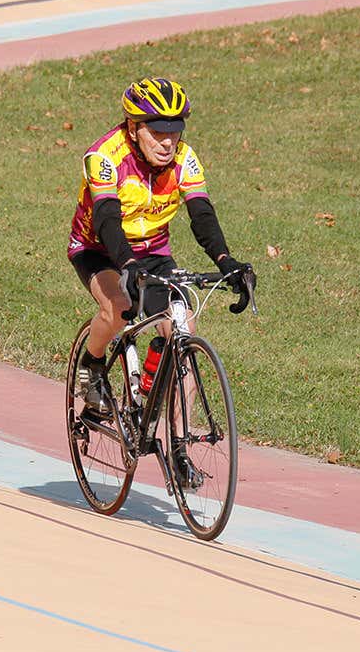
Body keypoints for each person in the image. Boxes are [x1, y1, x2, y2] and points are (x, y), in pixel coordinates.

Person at [66, 77, 250, 469]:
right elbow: (106, 218)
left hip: (152, 253)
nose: (168, 141)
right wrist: (127, 264)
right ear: (134, 128)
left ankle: (179, 447)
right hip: (100, 248)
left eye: (175, 130)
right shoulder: (104, 156)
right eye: (158, 131)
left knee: (184, 328)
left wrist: (225, 261)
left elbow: (201, 212)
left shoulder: (184, 157)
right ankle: (93, 365)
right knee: (118, 306)